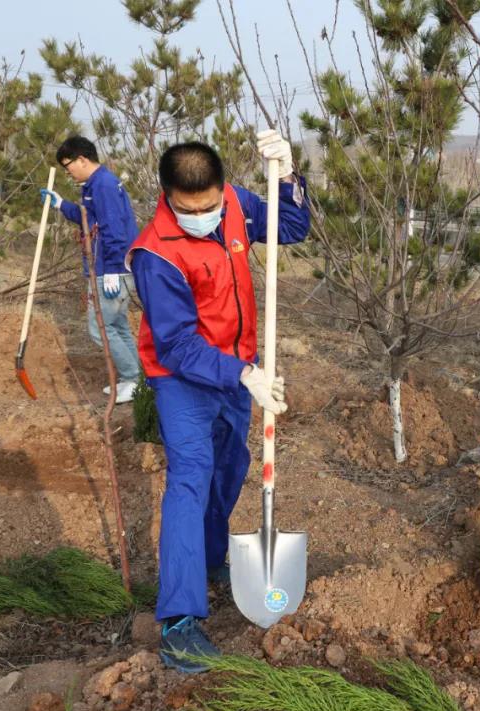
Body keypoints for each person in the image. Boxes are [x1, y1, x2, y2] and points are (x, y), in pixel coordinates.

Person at [127, 131, 308, 671]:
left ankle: (210, 558)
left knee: (232, 466)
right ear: (167, 197)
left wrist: (287, 179)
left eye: (211, 205)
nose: (204, 216)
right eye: (190, 210)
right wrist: (243, 374)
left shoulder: (233, 204)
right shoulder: (155, 254)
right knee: (191, 475)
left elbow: (291, 228)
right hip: (182, 377)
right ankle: (180, 621)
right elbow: (177, 344)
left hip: (237, 369)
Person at [40, 136, 142, 403]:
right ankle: (136, 379)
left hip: (111, 270)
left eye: (68, 165)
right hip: (108, 267)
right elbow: (89, 220)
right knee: (116, 325)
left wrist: (110, 269)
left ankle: (134, 379)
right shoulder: (94, 185)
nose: (68, 171)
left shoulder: (104, 185)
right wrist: (60, 204)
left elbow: (114, 231)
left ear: (82, 159)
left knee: (100, 329)